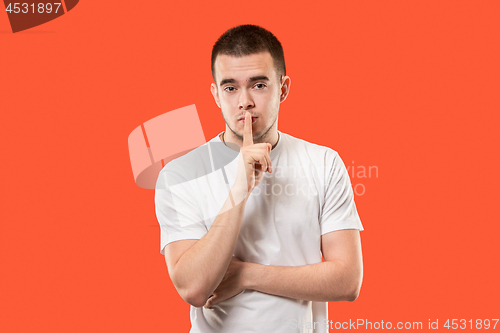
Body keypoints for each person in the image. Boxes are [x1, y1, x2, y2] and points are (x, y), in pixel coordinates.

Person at [155, 24, 364, 333]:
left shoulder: (324, 163)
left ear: (283, 88)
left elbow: (348, 281)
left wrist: (245, 275)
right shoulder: (180, 174)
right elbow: (194, 289)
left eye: (258, 85)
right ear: (215, 93)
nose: (244, 102)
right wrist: (240, 186)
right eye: (230, 87)